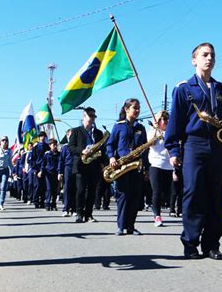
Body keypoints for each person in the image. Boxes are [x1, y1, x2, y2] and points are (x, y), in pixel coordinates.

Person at [165, 42, 222, 260]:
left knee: (214, 196)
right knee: (193, 194)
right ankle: (190, 244)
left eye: (212, 55)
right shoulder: (184, 89)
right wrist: (173, 150)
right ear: (194, 60)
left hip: (217, 145)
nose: (209, 58)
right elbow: (175, 123)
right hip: (194, 145)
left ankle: (211, 245)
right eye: (204, 55)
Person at [106, 98, 148, 235]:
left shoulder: (141, 128)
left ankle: (130, 226)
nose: (137, 110)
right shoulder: (118, 126)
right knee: (123, 195)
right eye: (134, 107)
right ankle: (121, 225)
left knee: (135, 197)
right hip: (122, 165)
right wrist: (112, 157)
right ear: (126, 109)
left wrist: (145, 167)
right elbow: (110, 144)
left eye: (138, 108)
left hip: (136, 166)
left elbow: (145, 148)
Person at [68, 107, 105, 223]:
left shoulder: (98, 133)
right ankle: (79, 213)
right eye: (90, 116)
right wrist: (82, 151)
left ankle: (89, 214)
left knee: (92, 191)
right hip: (81, 165)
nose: (92, 118)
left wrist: (103, 162)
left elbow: (102, 149)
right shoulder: (76, 131)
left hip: (94, 165)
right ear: (84, 116)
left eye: (94, 116)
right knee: (81, 190)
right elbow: (70, 147)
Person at [147, 110, 173, 227]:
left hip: (169, 166)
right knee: (157, 191)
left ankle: (160, 209)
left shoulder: (171, 132)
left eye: (167, 119)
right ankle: (157, 215)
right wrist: (156, 131)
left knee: (166, 193)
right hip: (156, 165)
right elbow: (150, 144)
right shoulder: (152, 132)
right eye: (163, 119)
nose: (165, 121)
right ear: (158, 121)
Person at [40, 139, 60, 211]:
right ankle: (47, 204)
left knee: (55, 189)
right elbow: (43, 164)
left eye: (55, 145)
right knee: (49, 189)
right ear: (50, 146)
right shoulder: (47, 154)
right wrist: (41, 171)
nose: (55, 146)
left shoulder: (59, 154)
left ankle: (53, 204)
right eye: (53, 145)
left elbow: (60, 164)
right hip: (48, 173)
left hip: (56, 173)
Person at [58, 130, 75, 217]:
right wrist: (60, 172)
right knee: (67, 188)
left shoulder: (77, 146)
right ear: (67, 136)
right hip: (67, 168)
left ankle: (74, 209)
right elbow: (61, 160)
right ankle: (66, 209)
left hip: (76, 168)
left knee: (75, 189)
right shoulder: (65, 147)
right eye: (69, 135)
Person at [31, 131, 50, 208]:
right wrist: (34, 168)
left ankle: (42, 201)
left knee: (44, 186)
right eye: (41, 136)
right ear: (38, 137)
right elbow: (32, 158)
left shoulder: (47, 146)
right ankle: (36, 201)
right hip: (37, 167)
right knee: (37, 186)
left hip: (45, 168)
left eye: (44, 136)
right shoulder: (35, 146)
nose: (42, 138)